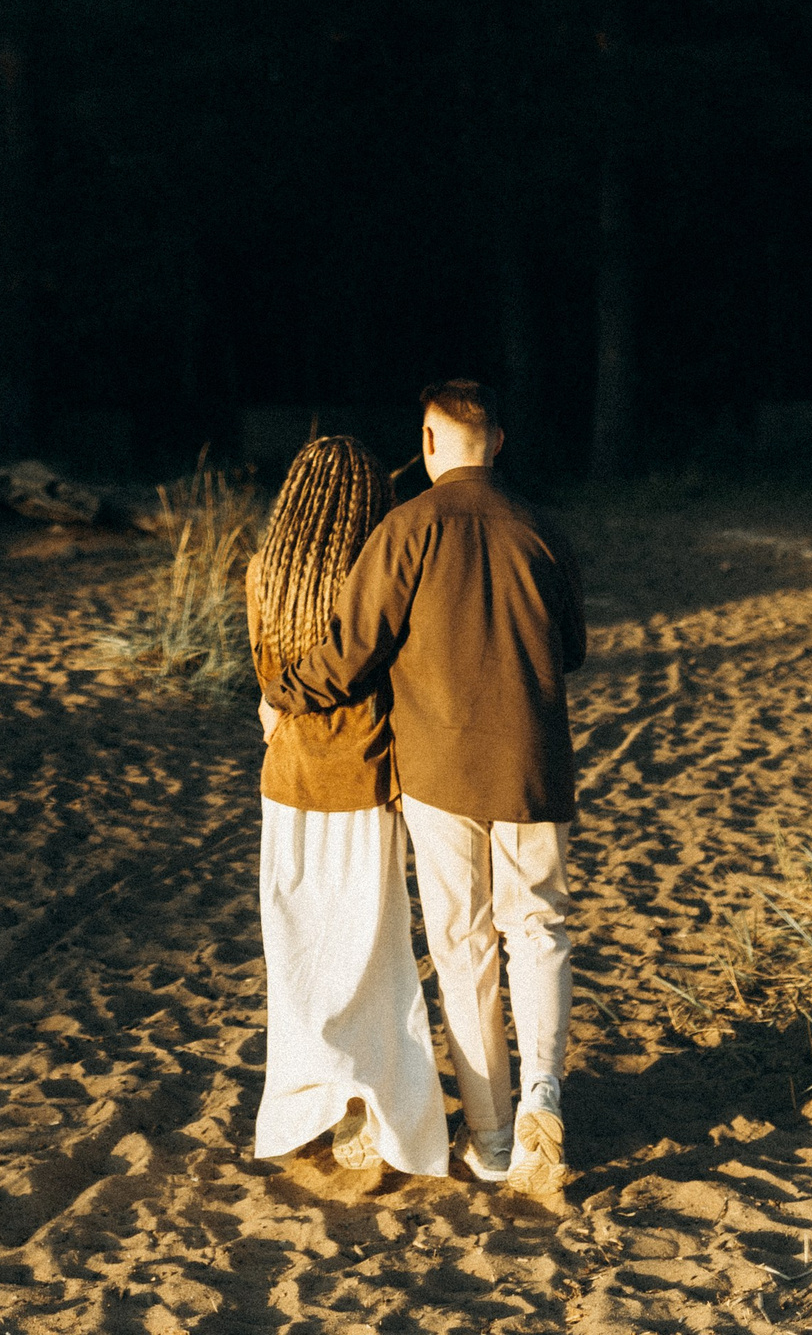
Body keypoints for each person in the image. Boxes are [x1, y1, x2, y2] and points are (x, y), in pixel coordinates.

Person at [261, 381, 585, 1198]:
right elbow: (573, 648)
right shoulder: (541, 528)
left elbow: (349, 654)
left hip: (440, 771)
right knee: (539, 928)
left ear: (430, 442)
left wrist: (281, 693)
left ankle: (494, 1136)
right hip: (533, 767)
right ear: (498, 442)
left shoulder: (405, 528)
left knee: (463, 944)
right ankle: (545, 1093)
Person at [246, 433, 452, 1182]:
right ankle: (370, 1107)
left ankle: (310, 1104)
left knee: (298, 957)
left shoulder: (262, 572)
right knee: (372, 956)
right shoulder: (378, 573)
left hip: (288, 781)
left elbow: (267, 681)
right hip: (364, 777)